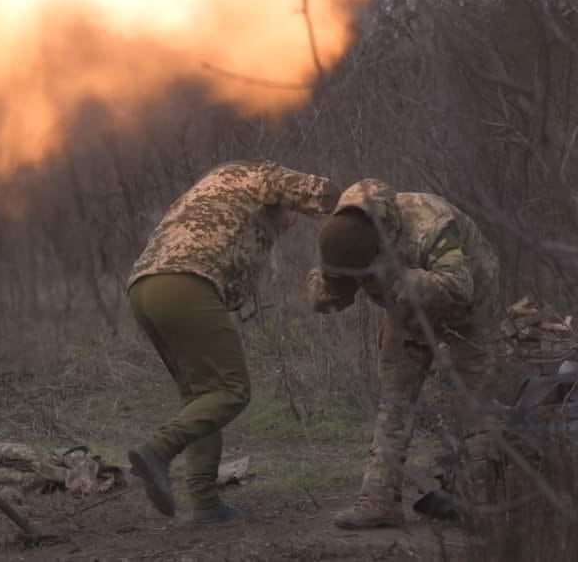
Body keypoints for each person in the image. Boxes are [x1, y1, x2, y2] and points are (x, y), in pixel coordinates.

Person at [125, 160, 341, 525]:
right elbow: (320, 192)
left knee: (203, 396)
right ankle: (157, 450)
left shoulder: (211, 196)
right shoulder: (258, 175)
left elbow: (234, 292)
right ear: (282, 200)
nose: (291, 225)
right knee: (231, 390)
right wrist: (361, 210)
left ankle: (205, 502)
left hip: (143, 287)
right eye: (291, 217)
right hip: (187, 283)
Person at [306, 178, 501, 529]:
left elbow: (460, 286)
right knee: (394, 403)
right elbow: (327, 297)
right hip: (407, 316)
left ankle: (479, 501)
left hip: (470, 310)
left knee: (475, 403)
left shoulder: (431, 223)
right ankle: (378, 500)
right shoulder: (343, 238)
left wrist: (400, 280)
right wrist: (331, 286)